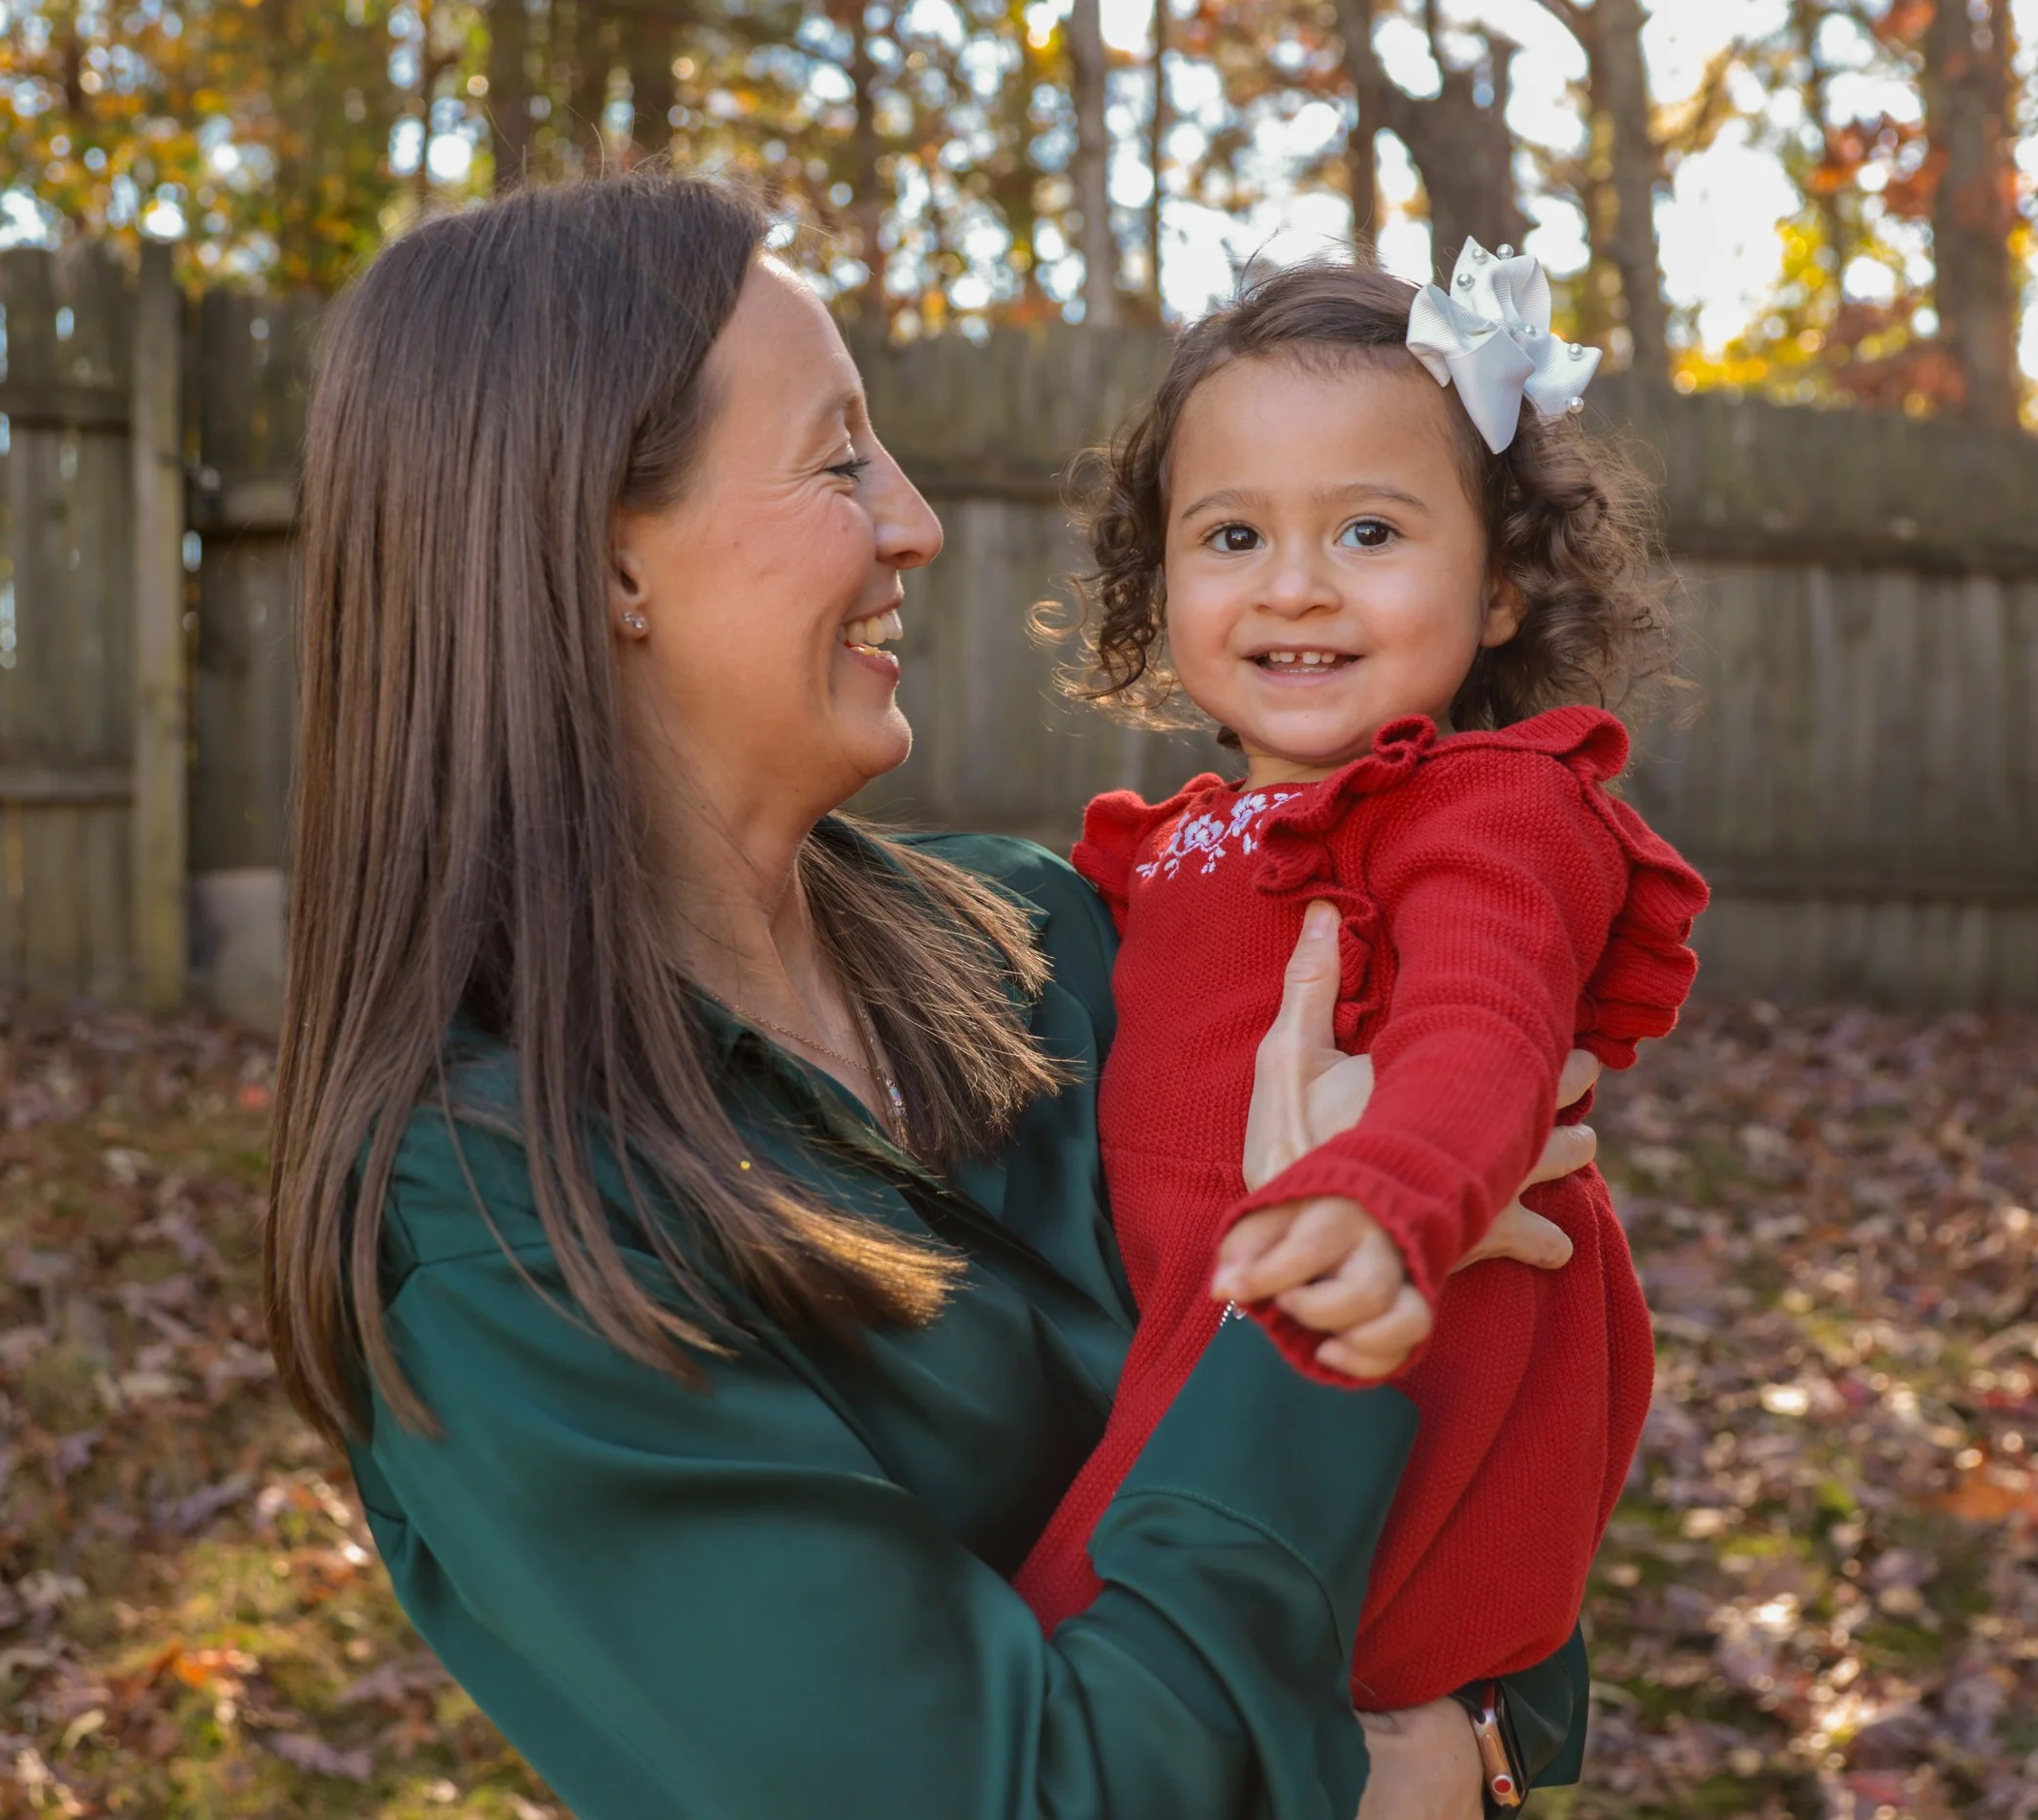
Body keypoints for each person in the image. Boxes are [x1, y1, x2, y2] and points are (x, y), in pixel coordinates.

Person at [261, 174, 1608, 1820]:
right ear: (611, 563)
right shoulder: (504, 1225)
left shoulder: (1050, 934)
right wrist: (1312, 1329)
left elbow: (1517, 1394)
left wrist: (1482, 1737)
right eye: (840, 458)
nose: (917, 518)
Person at [1009, 251, 1708, 1735]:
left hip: (1409, 1360)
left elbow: (1487, 1026)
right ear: (1162, 575)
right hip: (1228, 1345)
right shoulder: (1179, 844)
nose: (1295, 585)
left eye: (1372, 529)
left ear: (1502, 587)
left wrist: (1383, 1185)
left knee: (1053, 1674)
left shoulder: (1491, 811)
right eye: (1232, 533)